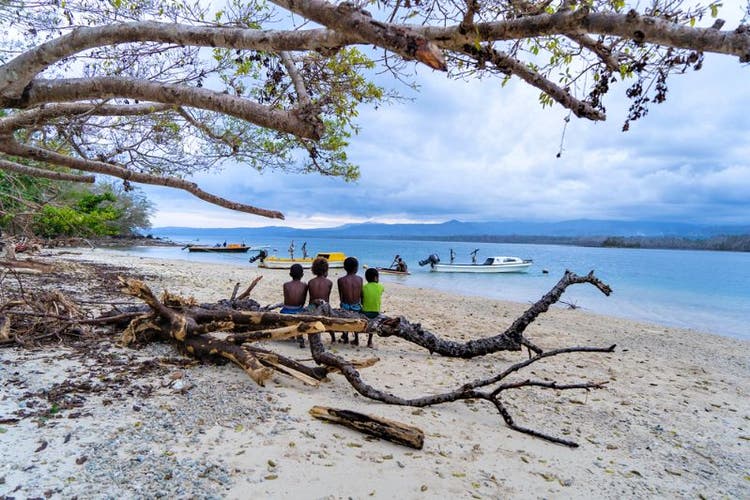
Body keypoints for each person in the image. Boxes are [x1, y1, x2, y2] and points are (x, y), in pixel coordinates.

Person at [308, 257, 335, 342]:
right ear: (326, 269)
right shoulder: (329, 282)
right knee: (329, 314)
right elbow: (327, 299)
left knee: (309, 309)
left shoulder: (311, 282)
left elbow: (311, 299)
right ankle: (333, 337)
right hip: (324, 309)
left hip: (312, 308)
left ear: (314, 269)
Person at [280, 264, 308, 347]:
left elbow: (286, 299)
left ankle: (291, 334)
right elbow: (303, 301)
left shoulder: (286, 285)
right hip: (298, 310)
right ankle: (299, 336)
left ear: (290, 274)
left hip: (287, 310)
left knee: (284, 311)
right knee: (301, 312)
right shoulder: (305, 285)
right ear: (302, 275)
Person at [337, 256, 363, 344]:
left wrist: (342, 304)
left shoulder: (340, 280)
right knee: (355, 318)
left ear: (344, 268)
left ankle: (345, 336)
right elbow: (360, 294)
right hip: (356, 307)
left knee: (344, 314)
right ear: (356, 268)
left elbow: (341, 296)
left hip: (345, 306)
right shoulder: (360, 279)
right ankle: (356, 338)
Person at [360, 268, 384, 347]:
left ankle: (356, 339)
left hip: (365, 312)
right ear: (376, 278)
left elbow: (362, 299)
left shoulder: (363, 287)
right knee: (373, 321)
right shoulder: (380, 287)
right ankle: (369, 341)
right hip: (376, 313)